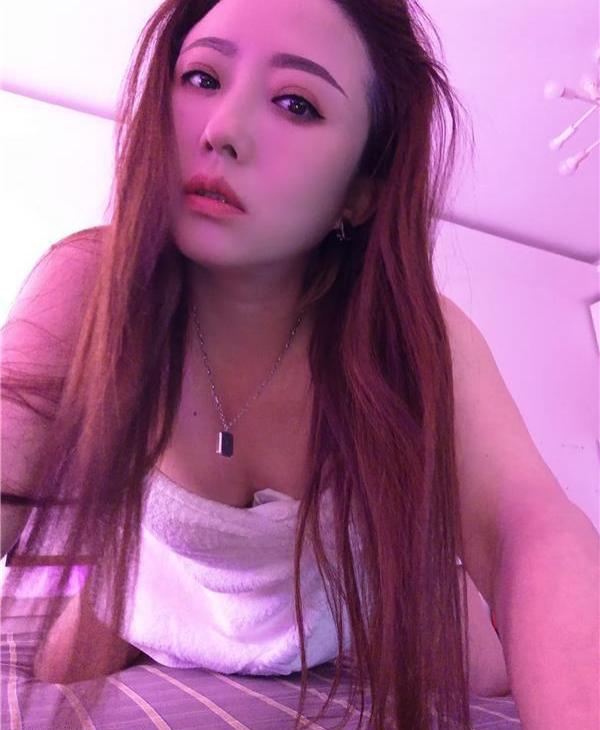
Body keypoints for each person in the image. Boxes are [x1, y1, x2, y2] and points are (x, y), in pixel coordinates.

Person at [3, 1, 596, 729]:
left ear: (360, 193)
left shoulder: (415, 340)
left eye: (296, 104)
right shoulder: (92, 286)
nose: (221, 130)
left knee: (493, 671)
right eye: (201, 77)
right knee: (56, 665)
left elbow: (528, 529)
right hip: (163, 588)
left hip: (343, 602)